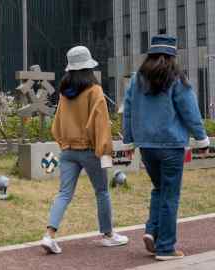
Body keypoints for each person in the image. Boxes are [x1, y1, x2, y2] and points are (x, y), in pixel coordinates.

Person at [122, 35, 210, 261]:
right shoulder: (176, 79)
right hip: (171, 146)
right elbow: (189, 110)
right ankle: (166, 248)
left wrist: (130, 138)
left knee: (159, 189)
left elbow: (128, 109)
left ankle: (152, 231)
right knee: (170, 195)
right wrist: (201, 138)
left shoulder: (136, 79)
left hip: (146, 146)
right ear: (173, 56)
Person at [41, 46, 129, 254]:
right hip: (90, 151)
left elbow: (57, 123)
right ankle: (108, 235)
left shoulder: (64, 92)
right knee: (102, 191)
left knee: (63, 193)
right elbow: (101, 124)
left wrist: (64, 143)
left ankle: (48, 235)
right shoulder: (94, 91)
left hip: (68, 150)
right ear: (88, 67)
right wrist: (105, 151)